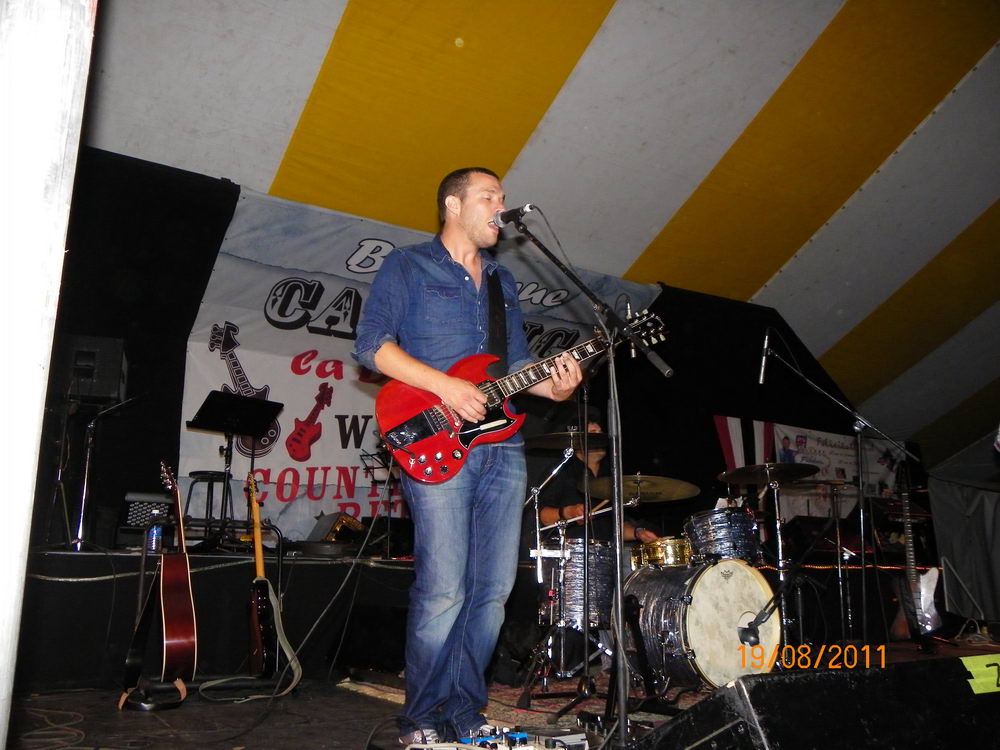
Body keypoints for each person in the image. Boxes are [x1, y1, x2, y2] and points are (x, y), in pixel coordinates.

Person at [352, 167, 582, 744]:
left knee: (492, 592)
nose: (501, 206)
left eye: (503, 197)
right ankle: (421, 719)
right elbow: (372, 345)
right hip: (433, 436)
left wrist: (555, 387)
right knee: (443, 590)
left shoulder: (503, 281)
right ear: (453, 205)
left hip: (503, 445)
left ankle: (464, 711)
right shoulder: (409, 265)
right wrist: (446, 388)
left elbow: (515, 365)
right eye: (489, 196)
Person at [537, 417, 658, 546]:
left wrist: (638, 532)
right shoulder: (561, 470)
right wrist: (568, 512)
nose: (600, 438)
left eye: (601, 433)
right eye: (593, 433)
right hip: (569, 552)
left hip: (605, 552)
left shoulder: (611, 474)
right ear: (578, 440)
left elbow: (618, 527)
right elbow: (542, 517)